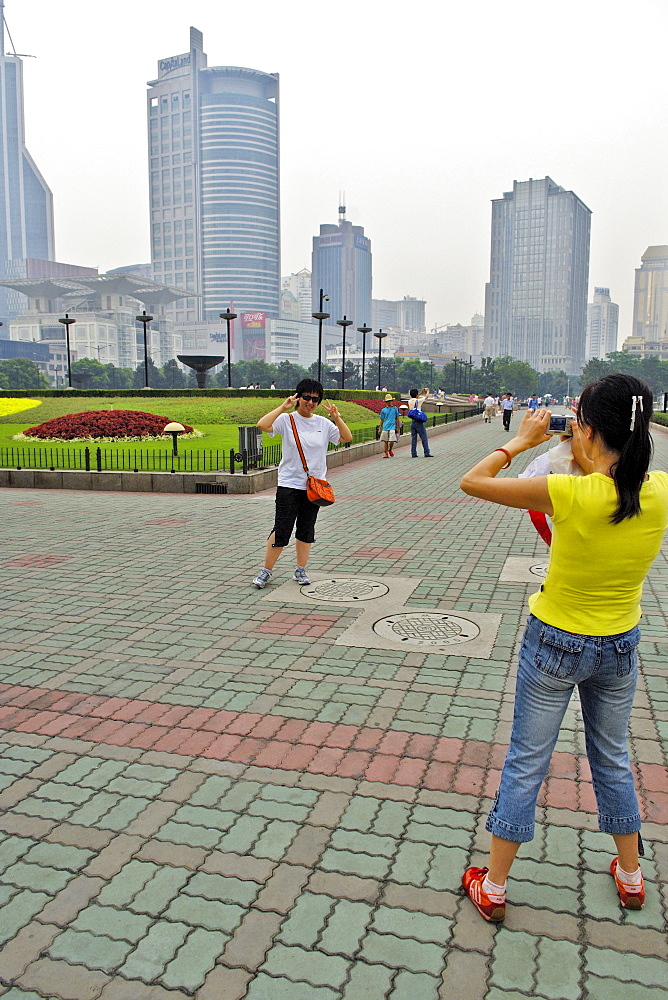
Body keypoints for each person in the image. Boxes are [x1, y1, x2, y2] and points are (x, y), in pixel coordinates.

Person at [459, 373, 668, 922]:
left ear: (590, 430)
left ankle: (495, 886)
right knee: (614, 758)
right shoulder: (660, 490)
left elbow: (472, 481)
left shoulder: (572, 492)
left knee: (528, 759)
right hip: (620, 645)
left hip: (555, 641)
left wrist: (522, 442)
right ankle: (630, 875)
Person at [251, 379, 353, 589]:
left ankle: (300, 569)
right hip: (289, 484)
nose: (311, 402)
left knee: (306, 529)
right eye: (306, 397)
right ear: (298, 397)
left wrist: (336, 417)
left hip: (314, 487)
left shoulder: (323, 424)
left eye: (315, 399)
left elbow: (346, 437)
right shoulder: (287, 419)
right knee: (282, 529)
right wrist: (283, 406)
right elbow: (262, 425)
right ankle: (266, 570)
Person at [408, 388, 432, 458]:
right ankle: (426, 452)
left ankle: (413, 453)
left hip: (413, 421)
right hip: (419, 421)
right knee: (424, 437)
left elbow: (415, 397)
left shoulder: (409, 401)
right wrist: (427, 391)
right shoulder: (418, 401)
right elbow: (426, 397)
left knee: (414, 439)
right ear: (416, 394)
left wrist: (421, 392)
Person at [378, 393, 400, 458]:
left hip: (392, 427)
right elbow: (382, 420)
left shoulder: (395, 409)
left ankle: (390, 449)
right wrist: (380, 428)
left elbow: (397, 418)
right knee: (385, 441)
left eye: (389, 401)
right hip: (385, 427)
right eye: (387, 401)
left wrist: (397, 427)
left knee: (392, 440)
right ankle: (386, 453)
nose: (389, 402)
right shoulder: (383, 410)